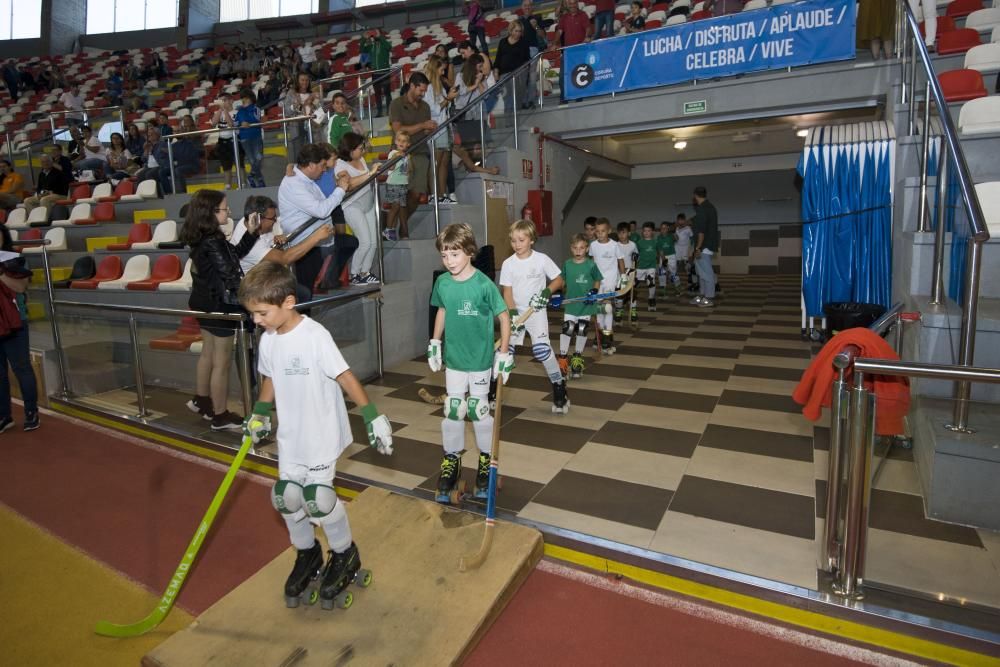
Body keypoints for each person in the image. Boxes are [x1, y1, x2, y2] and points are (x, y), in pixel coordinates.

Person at [239, 260, 393, 610]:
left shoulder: (315, 336)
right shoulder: (268, 341)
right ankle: (307, 554)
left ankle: (344, 554)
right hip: (291, 436)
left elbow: (345, 376)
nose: (256, 320)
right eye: (253, 313)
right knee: (286, 498)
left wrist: (373, 417)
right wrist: (260, 414)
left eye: (261, 312)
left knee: (318, 499)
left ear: (288, 303)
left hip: (322, 431)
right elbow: (270, 378)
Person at [428, 223, 512, 502]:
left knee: (477, 409)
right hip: (454, 358)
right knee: (454, 408)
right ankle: (452, 461)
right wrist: (435, 342)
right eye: (444, 255)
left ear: (469, 252)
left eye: (454, 254)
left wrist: (504, 352)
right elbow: (442, 309)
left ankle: (486, 462)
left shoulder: (483, 284)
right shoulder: (442, 283)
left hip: (479, 359)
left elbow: (504, 316)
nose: (449, 261)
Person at [181, 189, 261, 431]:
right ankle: (220, 415)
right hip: (218, 305)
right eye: (225, 208)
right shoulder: (213, 240)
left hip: (203, 302)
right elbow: (229, 274)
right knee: (221, 362)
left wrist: (250, 232)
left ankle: (203, 400)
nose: (229, 212)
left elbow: (232, 255)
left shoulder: (203, 238)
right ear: (211, 212)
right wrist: (252, 302)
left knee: (208, 354)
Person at [499, 219, 566, 412]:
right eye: (513, 241)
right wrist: (512, 314)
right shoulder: (508, 264)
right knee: (505, 352)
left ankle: (559, 386)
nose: (516, 244)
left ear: (531, 240)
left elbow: (558, 280)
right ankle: (493, 392)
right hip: (516, 313)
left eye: (521, 240)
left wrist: (546, 293)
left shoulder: (541, 259)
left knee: (542, 351)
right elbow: (507, 293)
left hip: (536, 312)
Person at [278, 143, 351, 297]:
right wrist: (340, 190)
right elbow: (321, 210)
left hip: (313, 242)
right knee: (305, 293)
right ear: (311, 165)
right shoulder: (294, 183)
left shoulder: (305, 179)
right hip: (303, 243)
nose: (324, 170)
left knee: (308, 291)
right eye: (322, 166)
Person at [231, 196, 333, 304]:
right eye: (272, 218)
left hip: (265, 278)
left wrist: (275, 239)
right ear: (258, 219)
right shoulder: (249, 242)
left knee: (301, 292)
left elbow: (271, 246)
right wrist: (316, 237)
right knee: (302, 294)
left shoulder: (250, 220)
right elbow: (284, 258)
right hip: (254, 287)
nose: (275, 221)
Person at [0, 248, 39, 433]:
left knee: (22, 368)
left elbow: (21, 286)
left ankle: (31, 412)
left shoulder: (15, 259)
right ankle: (4, 416)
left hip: (15, 322)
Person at [336, 133, 381, 286]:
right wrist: (369, 174)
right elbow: (348, 184)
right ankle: (354, 273)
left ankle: (365, 271)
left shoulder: (360, 159)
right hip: (352, 206)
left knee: (373, 242)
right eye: (360, 148)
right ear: (350, 149)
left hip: (367, 203)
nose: (363, 151)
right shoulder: (340, 164)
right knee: (365, 242)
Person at [389, 72, 436, 217]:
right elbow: (398, 129)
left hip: (420, 152)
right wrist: (422, 126)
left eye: (424, 91)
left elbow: (424, 131)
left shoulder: (426, 107)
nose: (423, 94)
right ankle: (401, 228)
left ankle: (399, 224)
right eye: (420, 90)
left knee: (416, 194)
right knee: (400, 196)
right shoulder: (396, 104)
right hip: (400, 154)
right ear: (412, 86)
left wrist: (430, 129)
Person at [559, 233, 602, 380]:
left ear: (587, 249)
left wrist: (594, 291)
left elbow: (597, 279)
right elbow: (562, 281)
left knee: (582, 330)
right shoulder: (567, 264)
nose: (578, 251)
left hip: (586, 305)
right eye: (575, 248)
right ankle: (563, 360)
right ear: (571, 248)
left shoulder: (591, 264)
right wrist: (558, 292)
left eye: (582, 248)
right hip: (571, 304)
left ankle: (577, 359)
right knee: (567, 330)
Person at [423, 56, 458, 205]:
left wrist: (449, 99)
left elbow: (443, 108)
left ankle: (442, 194)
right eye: (441, 69)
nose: (443, 71)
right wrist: (448, 99)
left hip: (444, 126)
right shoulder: (429, 87)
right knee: (436, 162)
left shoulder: (440, 85)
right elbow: (433, 110)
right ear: (434, 68)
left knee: (444, 162)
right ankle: (433, 194)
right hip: (436, 128)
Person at [588, 218, 626, 354]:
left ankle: (608, 336)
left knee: (607, 307)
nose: (600, 234)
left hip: (610, 279)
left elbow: (621, 261)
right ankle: (600, 333)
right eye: (597, 231)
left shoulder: (615, 245)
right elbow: (592, 262)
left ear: (609, 231)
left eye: (603, 231)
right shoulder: (593, 245)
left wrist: (623, 276)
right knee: (598, 308)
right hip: (598, 281)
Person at [493, 20, 533, 110]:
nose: (518, 33)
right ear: (510, 30)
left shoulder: (524, 42)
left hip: (518, 74)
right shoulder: (502, 42)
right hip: (504, 74)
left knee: (512, 97)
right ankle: (509, 120)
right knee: (507, 98)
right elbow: (497, 60)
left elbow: (527, 60)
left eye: (520, 31)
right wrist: (496, 73)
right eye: (516, 31)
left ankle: (513, 116)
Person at [690, 186, 719, 308]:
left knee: (707, 273)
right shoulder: (710, 207)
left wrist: (698, 248)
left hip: (704, 246)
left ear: (695, 195)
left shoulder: (702, 209)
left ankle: (709, 298)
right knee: (701, 273)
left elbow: (701, 232)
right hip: (707, 245)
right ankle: (702, 295)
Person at [283, 73, 319, 164]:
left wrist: (314, 104)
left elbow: (320, 110)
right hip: (297, 125)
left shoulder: (313, 94)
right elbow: (286, 110)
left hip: (313, 126)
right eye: (302, 80)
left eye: (306, 80)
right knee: (298, 155)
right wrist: (294, 106)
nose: (305, 82)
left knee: (314, 154)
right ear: (297, 81)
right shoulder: (291, 93)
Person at [384, 130, 412, 241]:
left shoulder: (407, 155)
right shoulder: (393, 153)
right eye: (399, 140)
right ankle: (388, 229)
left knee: (400, 207)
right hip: (393, 183)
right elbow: (390, 168)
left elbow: (408, 170)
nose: (401, 143)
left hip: (402, 184)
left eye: (404, 141)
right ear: (395, 141)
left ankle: (391, 229)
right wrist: (396, 156)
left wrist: (409, 162)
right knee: (395, 206)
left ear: (408, 144)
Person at [236, 88, 266, 188]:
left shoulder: (256, 108)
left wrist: (246, 122)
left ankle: (251, 176)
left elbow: (256, 119)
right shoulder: (240, 111)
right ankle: (260, 180)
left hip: (256, 136)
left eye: (246, 98)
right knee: (252, 160)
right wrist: (241, 123)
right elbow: (236, 122)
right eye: (243, 98)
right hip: (244, 137)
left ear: (251, 98)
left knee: (259, 157)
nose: (244, 100)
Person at [212, 94, 242, 190]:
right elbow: (213, 123)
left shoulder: (236, 112)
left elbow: (231, 124)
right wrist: (220, 110)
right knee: (226, 165)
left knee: (239, 164)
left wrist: (224, 111)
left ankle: (242, 183)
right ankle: (227, 185)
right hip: (222, 141)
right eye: (221, 101)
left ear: (231, 101)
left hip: (234, 140)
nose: (223, 103)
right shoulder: (219, 112)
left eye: (224, 100)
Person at [361, 30, 392, 116]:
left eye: (375, 34)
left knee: (387, 93)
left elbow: (389, 47)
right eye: (373, 35)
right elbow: (362, 50)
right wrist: (364, 38)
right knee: (377, 94)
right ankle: (379, 112)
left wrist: (379, 36)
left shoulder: (384, 43)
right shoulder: (371, 46)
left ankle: (389, 111)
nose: (374, 36)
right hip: (375, 73)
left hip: (385, 72)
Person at [634, 222, 661, 312]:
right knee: (634, 284)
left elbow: (660, 251)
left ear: (652, 232)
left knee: (651, 281)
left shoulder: (655, 242)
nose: (646, 232)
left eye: (648, 231)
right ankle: (631, 299)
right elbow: (636, 254)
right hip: (641, 266)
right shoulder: (639, 242)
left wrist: (663, 260)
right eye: (644, 231)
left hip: (651, 266)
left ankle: (651, 299)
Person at [615, 222, 638, 324]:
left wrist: (636, 257)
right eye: (619, 233)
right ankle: (619, 311)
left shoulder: (633, 245)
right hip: (619, 273)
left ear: (629, 233)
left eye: (623, 233)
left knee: (631, 293)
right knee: (619, 293)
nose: (621, 235)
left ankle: (633, 311)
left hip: (630, 271)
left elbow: (636, 256)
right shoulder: (615, 245)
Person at [657, 221, 680, 295]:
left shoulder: (671, 235)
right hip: (663, 256)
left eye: (665, 228)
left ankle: (677, 287)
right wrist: (663, 259)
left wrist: (674, 231)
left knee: (673, 273)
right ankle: (663, 288)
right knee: (662, 273)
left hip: (672, 256)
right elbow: (660, 250)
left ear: (668, 229)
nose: (663, 230)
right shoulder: (659, 237)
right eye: (662, 228)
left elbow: (677, 239)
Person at [674, 212, 694, 291]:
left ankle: (690, 279)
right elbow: (675, 238)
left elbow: (692, 239)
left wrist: (692, 250)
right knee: (676, 264)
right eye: (679, 220)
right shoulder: (676, 228)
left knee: (687, 264)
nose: (680, 222)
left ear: (684, 220)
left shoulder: (688, 228)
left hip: (685, 248)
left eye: (682, 220)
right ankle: (676, 281)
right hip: (677, 247)